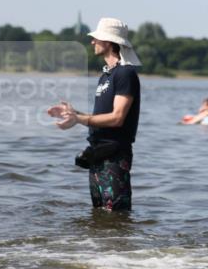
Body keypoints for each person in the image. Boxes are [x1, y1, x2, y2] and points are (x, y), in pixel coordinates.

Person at [48, 18, 141, 211]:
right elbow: (101, 117)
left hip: (115, 155)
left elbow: (117, 118)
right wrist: (74, 113)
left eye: (96, 38)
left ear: (108, 42)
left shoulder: (125, 74)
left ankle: (121, 242)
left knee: (116, 214)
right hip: (97, 154)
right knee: (99, 214)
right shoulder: (106, 75)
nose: (92, 42)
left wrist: (79, 119)